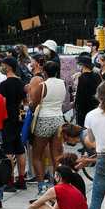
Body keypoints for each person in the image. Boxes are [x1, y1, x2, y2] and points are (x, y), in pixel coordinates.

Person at [5, 165, 88, 209]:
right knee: (44, 206)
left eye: (55, 175)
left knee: (42, 206)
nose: (54, 177)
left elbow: (35, 205)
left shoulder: (57, 189)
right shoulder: (73, 188)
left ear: (59, 177)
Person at [30, 61, 66, 195]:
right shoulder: (63, 84)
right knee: (57, 155)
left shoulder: (42, 85)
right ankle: (58, 184)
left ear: (45, 72)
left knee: (37, 155)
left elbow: (34, 104)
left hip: (44, 120)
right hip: (58, 119)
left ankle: (42, 187)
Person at [0, 57, 27, 190]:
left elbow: (2, 103)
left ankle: (9, 180)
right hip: (18, 118)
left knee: (8, 149)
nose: (1, 67)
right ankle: (21, 179)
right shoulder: (20, 82)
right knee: (19, 148)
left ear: (8, 67)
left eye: (3, 65)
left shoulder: (4, 85)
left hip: (8, 118)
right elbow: (24, 101)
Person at [74, 54, 101, 126]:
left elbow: (79, 96)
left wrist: (75, 104)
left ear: (82, 65)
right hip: (96, 106)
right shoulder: (97, 76)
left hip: (84, 110)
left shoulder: (82, 78)